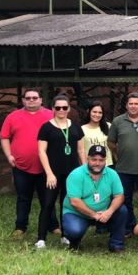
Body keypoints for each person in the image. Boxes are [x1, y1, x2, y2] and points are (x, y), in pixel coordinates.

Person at [0, 88, 59, 236]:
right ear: (23, 100)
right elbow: (4, 137)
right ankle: (20, 226)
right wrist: (9, 156)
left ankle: (53, 226)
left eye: (34, 98)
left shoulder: (51, 115)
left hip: (46, 167)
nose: (31, 100)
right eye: (28, 98)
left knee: (48, 198)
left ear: (41, 100)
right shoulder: (13, 117)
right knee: (23, 197)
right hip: (21, 166)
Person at [35, 94, 86, 249]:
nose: (61, 110)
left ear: (69, 108)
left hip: (72, 174)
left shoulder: (76, 126)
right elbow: (41, 152)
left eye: (64, 107)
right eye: (58, 108)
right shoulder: (46, 127)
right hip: (53, 173)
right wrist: (49, 173)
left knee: (68, 204)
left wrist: (84, 170)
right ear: (53, 109)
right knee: (48, 204)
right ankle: (41, 238)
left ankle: (65, 235)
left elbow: (81, 150)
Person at [61, 145, 128, 252]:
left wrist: (109, 212)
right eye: (94, 159)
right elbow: (75, 201)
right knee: (74, 230)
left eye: (101, 160)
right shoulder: (76, 174)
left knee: (122, 210)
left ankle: (116, 244)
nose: (97, 163)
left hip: (104, 212)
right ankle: (74, 243)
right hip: (77, 214)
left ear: (105, 160)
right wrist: (94, 215)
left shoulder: (112, 174)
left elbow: (119, 196)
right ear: (88, 159)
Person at [107, 92, 138, 235]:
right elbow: (111, 142)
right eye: (130, 104)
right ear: (127, 105)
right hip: (123, 169)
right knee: (125, 199)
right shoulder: (117, 121)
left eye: (136, 104)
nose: (133, 106)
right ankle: (129, 227)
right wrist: (118, 154)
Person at [82, 101, 113, 167]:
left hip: (107, 165)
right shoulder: (82, 129)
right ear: (89, 112)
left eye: (100, 112)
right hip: (90, 166)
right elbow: (81, 150)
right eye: (94, 112)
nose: (97, 115)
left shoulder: (109, 126)